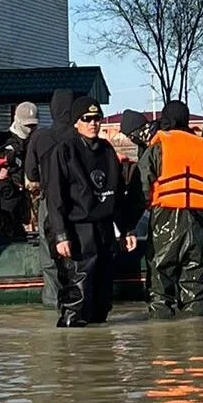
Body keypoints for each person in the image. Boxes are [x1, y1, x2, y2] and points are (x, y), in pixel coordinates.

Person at [45, 97, 137, 327]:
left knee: (102, 298)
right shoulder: (64, 151)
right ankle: (73, 349)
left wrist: (126, 229)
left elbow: (117, 193)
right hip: (76, 229)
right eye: (87, 119)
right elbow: (54, 197)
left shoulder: (107, 150)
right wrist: (60, 235)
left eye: (97, 118)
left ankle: (100, 356)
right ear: (76, 122)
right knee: (78, 296)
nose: (93, 123)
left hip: (103, 228)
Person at [139, 101, 203, 318]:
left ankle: (163, 341)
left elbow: (141, 186)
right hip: (199, 220)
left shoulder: (157, 148)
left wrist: (132, 221)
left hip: (165, 217)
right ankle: (198, 338)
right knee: (195, 279)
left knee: (161, 278)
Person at [25, 88, 76, 306]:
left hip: (48, 200)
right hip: (78, 202)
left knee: (49, 253)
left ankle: (52, 300)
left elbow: (30, 175)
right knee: (77, 251)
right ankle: (77, 298)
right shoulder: (80, 136)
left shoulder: (39, 137)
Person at [0, 102, 39, 240]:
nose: (30, 129)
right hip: (7, 202)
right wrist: (2, 171)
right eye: (27, 125)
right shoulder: (1, 141)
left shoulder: (38, 140)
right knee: (7, 244)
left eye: (33, 125)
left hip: (33, 203)